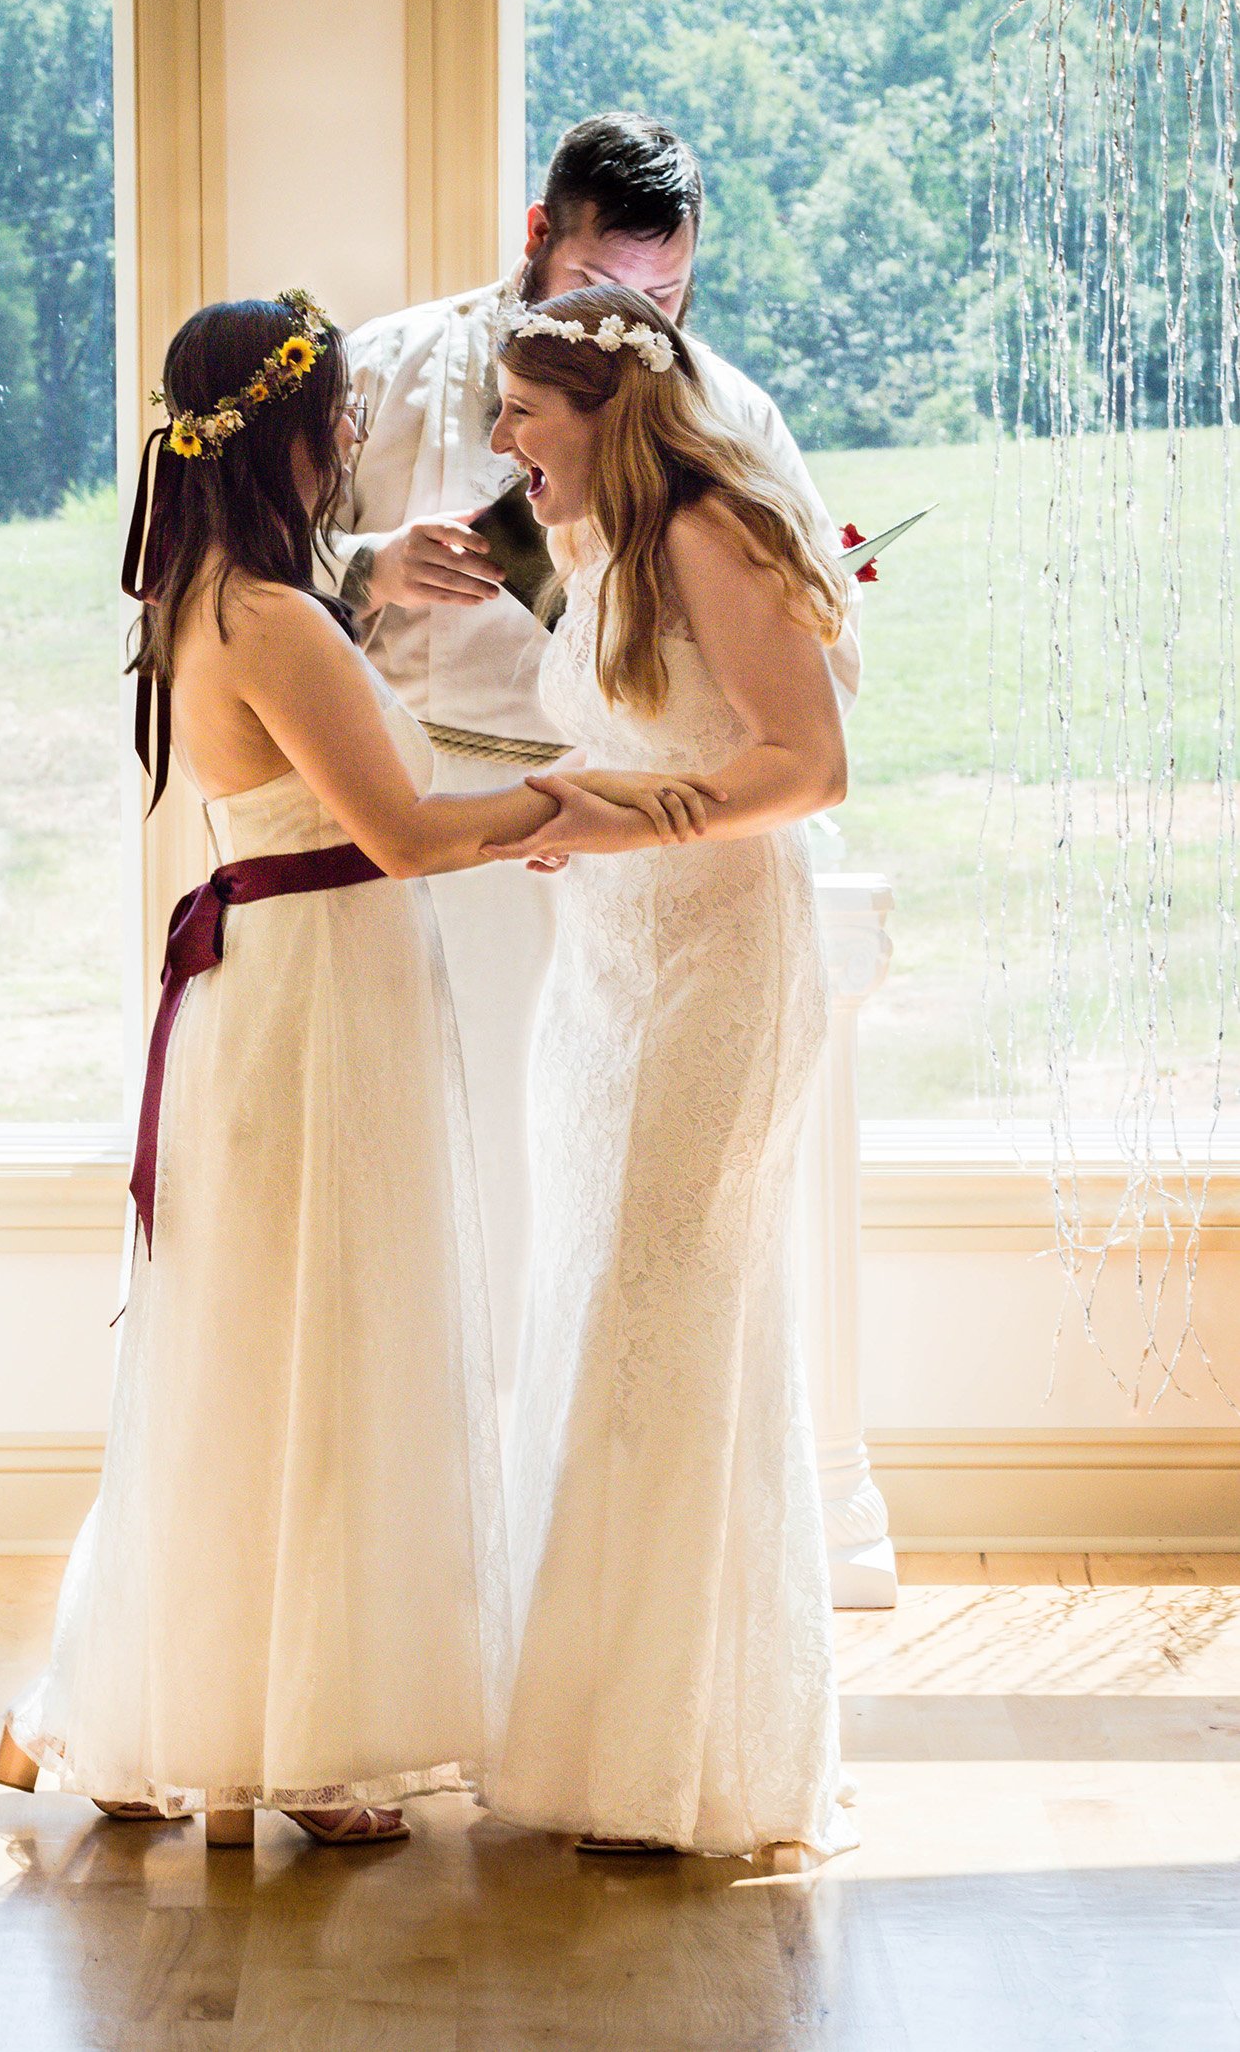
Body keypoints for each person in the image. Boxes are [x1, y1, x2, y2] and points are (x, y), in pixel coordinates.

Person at [0, 291, 720, 1848]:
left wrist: (529, 787)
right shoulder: (275, 616)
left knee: (259, 1347)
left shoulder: (208, 591)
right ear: (303, 441)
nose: (353, 456)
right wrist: (589, 808)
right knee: (330, 1346)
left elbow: (372, 793)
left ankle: (182, 1707)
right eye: (343, 432)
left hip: (292, 987)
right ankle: (307, 1741)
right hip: (318, 1000)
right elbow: (400, 834)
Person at [330, 111, 861, 1406]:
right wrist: (369, 572)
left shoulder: (727, 417)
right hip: (415, 844)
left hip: (639, 874)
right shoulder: (384, 373)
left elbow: (824, 683)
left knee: (620, 1270)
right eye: (601, 295)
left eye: (668, 300)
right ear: (535, 238)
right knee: (432, 1226)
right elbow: (232, 600)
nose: (645, 335)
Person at [479, 284, 861, 1863]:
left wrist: (622, 818)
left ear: (603, 413)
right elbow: (652, 746)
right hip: (609, 973)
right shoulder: (597, 553)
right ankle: (584, 1736)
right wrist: (592, 812)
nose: (503, 443)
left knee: (671, 1315)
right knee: (594, 1303)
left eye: (523, 414)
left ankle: (687, 1756)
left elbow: (812, 764)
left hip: (719, 966)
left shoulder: (707, 528)